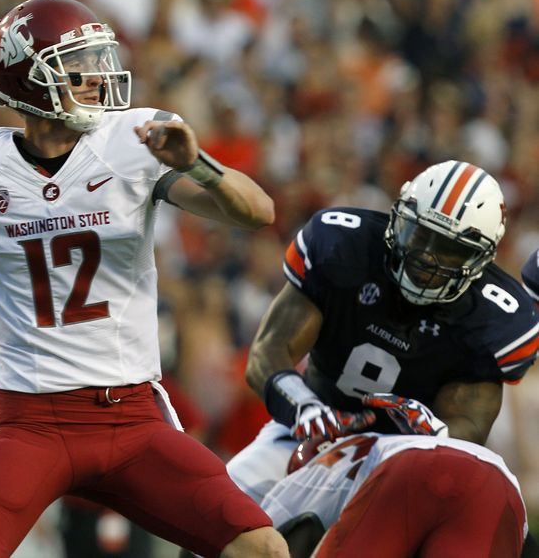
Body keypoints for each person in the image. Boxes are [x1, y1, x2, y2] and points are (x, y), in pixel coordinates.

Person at [0, 0, 289, 558]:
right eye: (79, 65)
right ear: (29, 79)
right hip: (30, 418)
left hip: (131, 415)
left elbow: (257, 212)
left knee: (262, 547)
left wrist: (198, 163)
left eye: (98, 61)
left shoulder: (136, 140)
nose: (98, 78)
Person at [227, 160, 539, 503]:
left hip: (406, 461)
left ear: (480, 260)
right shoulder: (343, 245)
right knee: (219, 506)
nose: (427, 258)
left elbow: (470, 423)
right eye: (422, 235)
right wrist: (302, 406)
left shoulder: (497, 318)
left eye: (450, 250)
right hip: (311, 426)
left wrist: (436, 433)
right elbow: (267, 353)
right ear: (399, 217)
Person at [262, 430, 527, 557]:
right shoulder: (372, 441)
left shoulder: (296, 487)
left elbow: (262, 547)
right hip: (496, 480)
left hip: (408, 472)